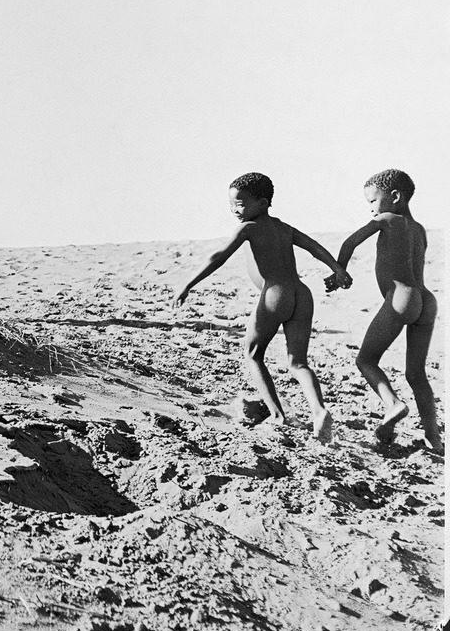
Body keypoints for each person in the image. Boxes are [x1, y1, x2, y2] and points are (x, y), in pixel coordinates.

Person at [174, 172, 350, 442]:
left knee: (253, 353)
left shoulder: (249, 229)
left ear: (264, 202)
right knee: (298, 362)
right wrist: (337, 269)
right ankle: (319, 411)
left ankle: (278, 416)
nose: (235, 210)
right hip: (301, 294)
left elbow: (219, 256)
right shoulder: (284, 228)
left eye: (241, 204)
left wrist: (189, 283)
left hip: (275, 294)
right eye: (232, 204)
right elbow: (314, 247)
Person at [327, 169, 441, 451]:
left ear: (395, 197)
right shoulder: (419, 229)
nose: (370, 208)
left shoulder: (386, 219)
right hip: (426, 301)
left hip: (400, 297)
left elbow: (350, 242)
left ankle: (393, 404)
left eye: (372, 201)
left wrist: (339, 272)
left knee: (366, 360)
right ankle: (433, 438)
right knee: (416, 373)